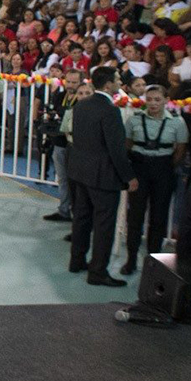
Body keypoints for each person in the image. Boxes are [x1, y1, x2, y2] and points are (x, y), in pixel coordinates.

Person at [67, 66, 137, 286]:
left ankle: (77, 260)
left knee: (81, 219)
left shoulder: (81, 105)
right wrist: (128, 176)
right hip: (103, 175)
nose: (119, 82)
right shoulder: (110, 110)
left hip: (81, 171)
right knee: (104, 224)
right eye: (117, 79)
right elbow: (116, 149)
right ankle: (98, 271)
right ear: (108, 84)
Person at [123, 85, 188, 276]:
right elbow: (127, 146)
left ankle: (153, 264)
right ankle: (131, 259)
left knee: (158, 218)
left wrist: (167, 167)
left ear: (166, 100)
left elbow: (180, 151)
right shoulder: (134, 120)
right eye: (149, 99)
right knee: (135, 216)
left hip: (163, 169)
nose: (153, 103)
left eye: (157, 99)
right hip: (139, 168)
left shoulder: (177, 122)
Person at [43, 69, 85, 223]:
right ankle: (64, 210)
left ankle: (78, 214)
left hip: (77, 145)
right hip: (59, 142)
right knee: (63, 179)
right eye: (69, 81)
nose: (71, 85)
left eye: (74, 82)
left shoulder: (84, 99)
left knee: (76, 182)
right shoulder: (60, 96)